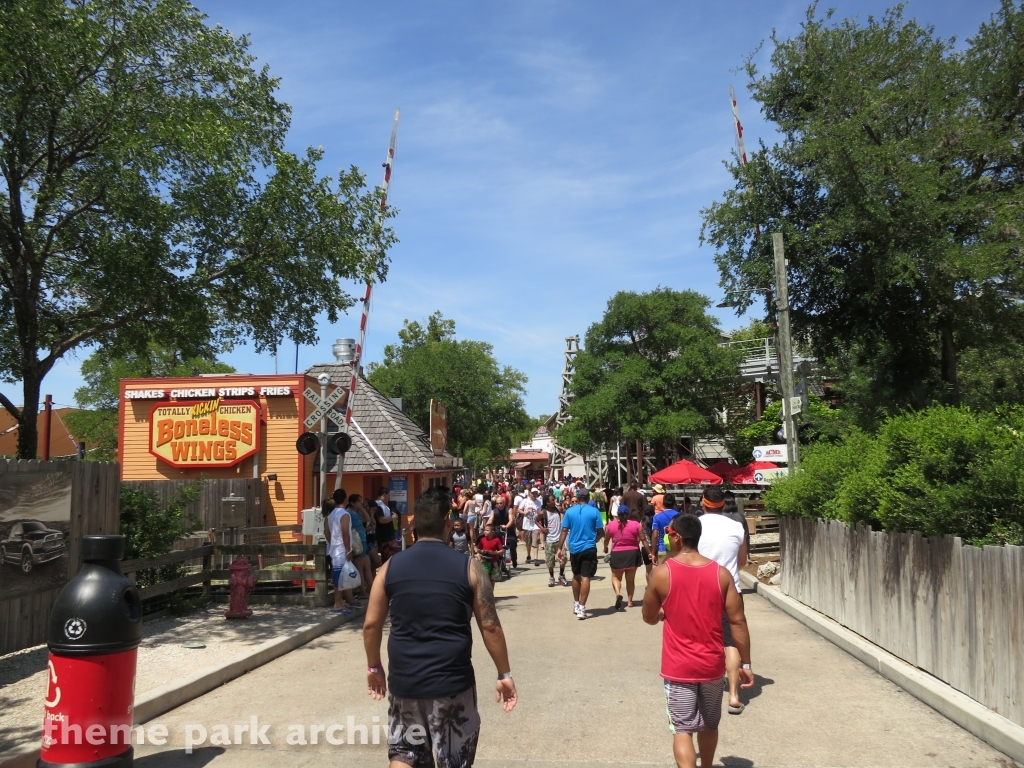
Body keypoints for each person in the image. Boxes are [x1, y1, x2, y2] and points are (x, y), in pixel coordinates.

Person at [364, 488, 517, 768]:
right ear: (448, 524)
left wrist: (374, 667)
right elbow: (490, 626)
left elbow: (371, 624)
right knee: (454, 760)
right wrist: (503, 673)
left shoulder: (389, 568)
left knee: (404, 754)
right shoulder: (470, 568)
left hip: (405, 682)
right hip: (451, 684)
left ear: (414, 526)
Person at [642, 513, 753, 768]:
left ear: (676, 537)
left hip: (679, 667)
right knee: (710, 724)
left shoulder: (661, 573)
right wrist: (745, 664)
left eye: (670, 535)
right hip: (712, 667)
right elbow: (738, 622)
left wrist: (661, 613)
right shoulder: (721, 574)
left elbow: (648, 617)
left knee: (682, 729)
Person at [696, 487, 749, 715]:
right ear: (723, 504)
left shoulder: (695, 524)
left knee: (699, 640)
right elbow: (743, 561)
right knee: (730, 641)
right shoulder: (736, 526)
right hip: (730, 590)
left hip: (700, 591)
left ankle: (700, 692)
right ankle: (734, 695)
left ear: (703, 502)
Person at [556, 489, 605, 619]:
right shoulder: (594, 511)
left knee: (576, 576)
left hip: (574, 549)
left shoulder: (569, 511)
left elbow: (564, 530)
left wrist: (559, 548)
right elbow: (601, 532)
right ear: (588, 498)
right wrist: (595, 540)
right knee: (586, 577)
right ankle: (582, 608)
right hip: (589, 548)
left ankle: (576, 603)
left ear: (578, 497)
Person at [604, 507, 652, 609]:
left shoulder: (611, 524)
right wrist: (649, 552)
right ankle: (630, 601)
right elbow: (643, 539)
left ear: (617, 513)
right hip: (632, 554)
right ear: (628, 513)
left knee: (616, 577)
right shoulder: (635, 524)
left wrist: (605, 548)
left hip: (617, 554)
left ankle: (618, 593)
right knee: (630, 580)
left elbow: (607, 538)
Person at [324, 491, 355, 615]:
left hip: (334, 549)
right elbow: (346, 533)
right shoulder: (344, 514)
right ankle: (337, 603)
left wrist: (332, 542)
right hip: (342, 550)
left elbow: (326, 531)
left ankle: (340, 601)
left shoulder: (330, 515)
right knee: (339, 577)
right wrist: (348, 550)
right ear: (345, 499)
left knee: (338, 576)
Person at [537, 493, 567, 587]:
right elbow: (535, 520)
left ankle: (561, 575)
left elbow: (567, 512)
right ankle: (551, 577)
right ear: (547, 503)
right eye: (552, 500)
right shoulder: (543, 512)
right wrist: (542, 528)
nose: (554, 502)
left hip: (559, 540)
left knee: (563, 559)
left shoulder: (559, 509)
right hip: (549, 540)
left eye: (554, 500)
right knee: (550, 561)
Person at [348, 494, 374, 598]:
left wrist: (362, 509)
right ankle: (362, 592)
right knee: (360, 567)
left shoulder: (358, 512)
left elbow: (368, 519)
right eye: (358, 501)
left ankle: (372, 589)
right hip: (356, 542)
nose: (360, 503)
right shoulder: (348, 513)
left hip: (363, 540)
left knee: (367, 565)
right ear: (352, 503)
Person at [652, 494, 679, 564]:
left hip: (662, 548)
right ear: (674, 503)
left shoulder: (656, 517)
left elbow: (655, 536)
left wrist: (652, 553)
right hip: (677, 548)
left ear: (663, 503)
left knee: (662, 573)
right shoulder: (680, 515)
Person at [374, 487, 399, 563]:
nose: (389, 497)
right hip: (384, 538)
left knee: (392, 558)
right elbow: (381, 520)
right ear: (384, 495)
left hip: (389, 536)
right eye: (388, 495)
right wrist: (392, 518)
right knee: (389, 560)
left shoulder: (385, 506)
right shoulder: (378, 506)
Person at [520, 488, 542, 565]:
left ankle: (536, 559)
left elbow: (539, 513)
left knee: (535, 542)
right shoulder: (525, 501)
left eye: (536, 493)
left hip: (535, 525)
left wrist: (539, 518)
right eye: (533, 493)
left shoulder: (538, 502)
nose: (534, 495)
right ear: (530, 493)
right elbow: (519, 510)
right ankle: (528, 555)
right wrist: (524, 512)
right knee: (528, 542)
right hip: (527, 524)